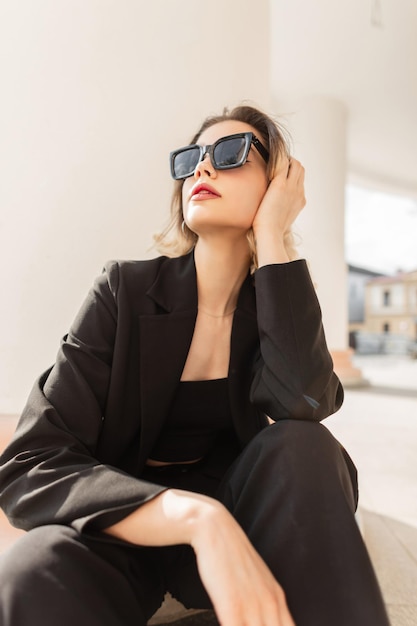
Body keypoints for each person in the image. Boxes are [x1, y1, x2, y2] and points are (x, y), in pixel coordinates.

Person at [0, 105, 389, 626]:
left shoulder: (277, 301)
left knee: (303, 443)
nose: (202, 169)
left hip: (239, 516)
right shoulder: (124, 290)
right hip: (129, 525)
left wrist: (272, 235)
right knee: (30, 570)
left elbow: (306, 402)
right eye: (190, 159)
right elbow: (30, 462)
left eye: (230, 155)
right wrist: (196, 517)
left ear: (276, 184)